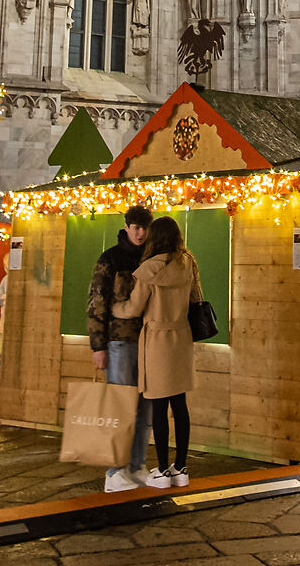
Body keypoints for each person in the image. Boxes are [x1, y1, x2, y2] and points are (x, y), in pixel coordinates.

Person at [111, 214, 201, 488]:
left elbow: (134, 308)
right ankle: (181, 469)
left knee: (159, 406)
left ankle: (161, 470)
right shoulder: (189, 263)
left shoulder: (149, 269)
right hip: (182, 338)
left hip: (157, 340)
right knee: (180, 405)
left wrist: (114, 309)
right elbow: (197, 298)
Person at [87, 203, 155, 492]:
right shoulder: (111, 258)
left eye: (144, 227)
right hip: (118, 343)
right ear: (126, 227)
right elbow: (96, 301)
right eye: (135, 227)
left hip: (149, 343)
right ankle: (114, 472)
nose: (140, 233)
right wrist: (97, 345)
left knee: (145, 407)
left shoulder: (152, 258)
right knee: (120, 408)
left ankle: (137, 465)